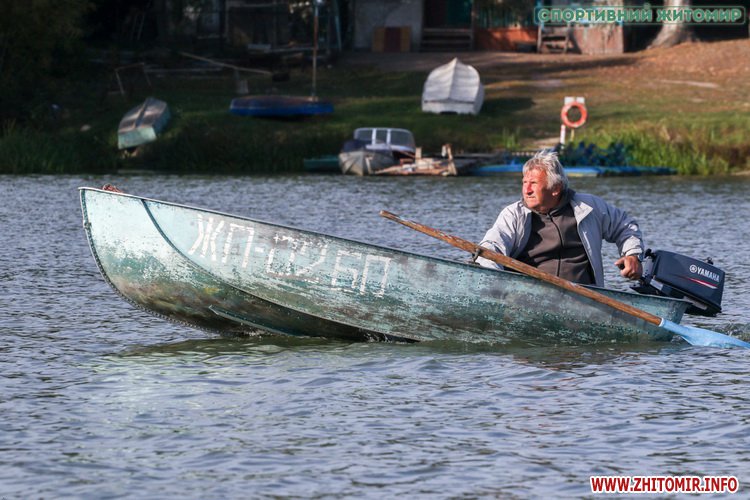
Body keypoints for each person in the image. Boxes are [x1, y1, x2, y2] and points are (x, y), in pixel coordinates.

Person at [475, 150, 643, 286]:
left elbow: (625, 226)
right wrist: (493, 281)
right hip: (526, 298)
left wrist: (633, 254)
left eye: (533, 183)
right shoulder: (513, 215)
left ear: (555, 188)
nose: (527, 190)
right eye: (524, 182)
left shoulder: (589, 207)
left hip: (584, 300)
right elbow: (491, 247)